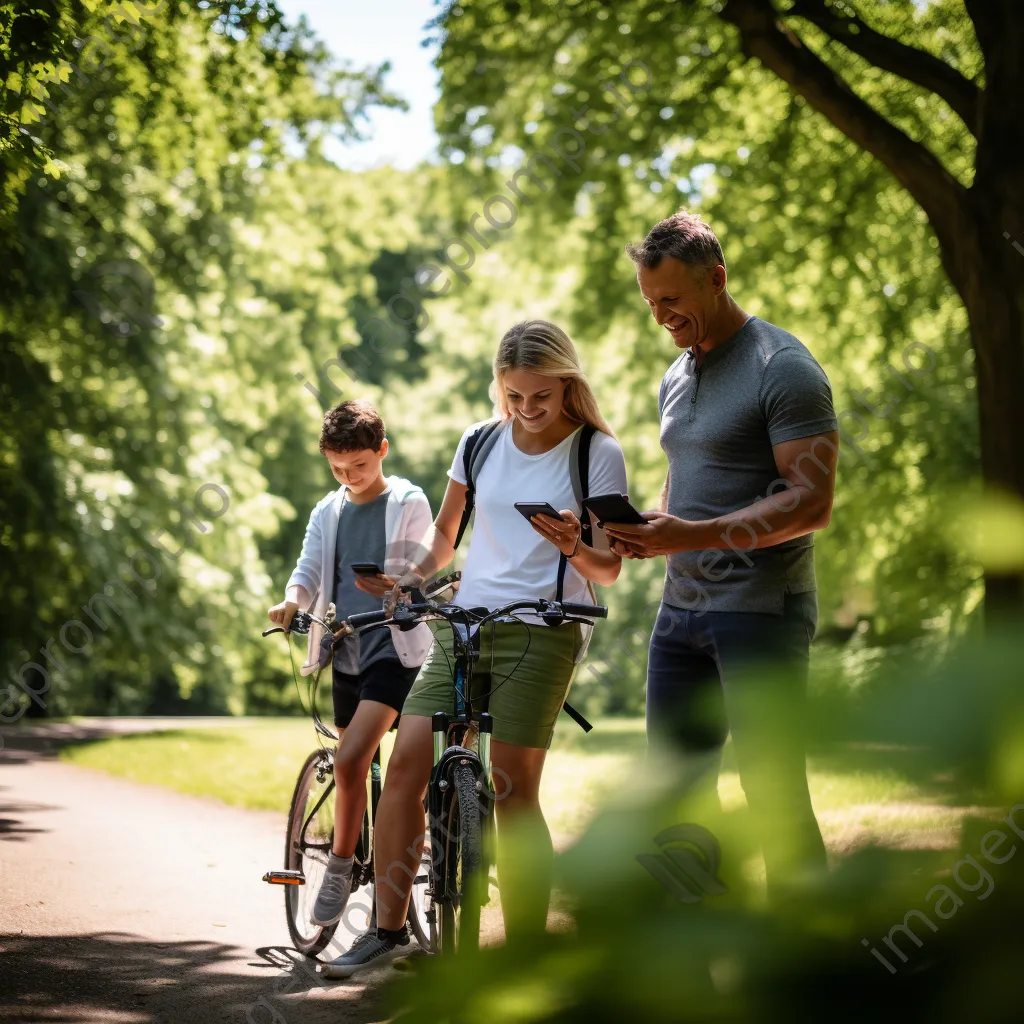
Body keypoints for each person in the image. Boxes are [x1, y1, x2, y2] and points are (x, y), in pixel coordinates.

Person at [322, 319, 628, 977]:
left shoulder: (595, 452)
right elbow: (444, 536)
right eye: (513, 394)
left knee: (514, 788)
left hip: (547, 626)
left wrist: (576, 544)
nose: (526, 409)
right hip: (464, 622)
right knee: (405, 761)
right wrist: (410, 578)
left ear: (567, 383)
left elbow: (609, 569)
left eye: (540, 396)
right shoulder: (480, 443)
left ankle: (521, 959)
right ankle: (388, 928)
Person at [604, 210, 838, 898]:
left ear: (718, 279)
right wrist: (646, 528)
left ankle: (806, 967)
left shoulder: (783, 367)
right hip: (681, 613)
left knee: (771, 793)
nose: (661, 317)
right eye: (651, 303)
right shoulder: (676, 375)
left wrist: (692, 534)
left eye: (672, 301)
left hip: (760, 612)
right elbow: (688, 480)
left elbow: (812, 502)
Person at [268, 399, 433, 928]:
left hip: (394, 649)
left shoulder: (408, 499)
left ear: (382, 451)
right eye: (338, 469)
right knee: (353, 766)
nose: (349, 477)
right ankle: (355, 851)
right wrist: (293, 599)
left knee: (348, 757)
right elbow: (309, 567)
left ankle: (340, 865)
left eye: (359, 465)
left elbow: (420, 567)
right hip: (345, 648)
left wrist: (398, 584)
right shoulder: (328, 509)